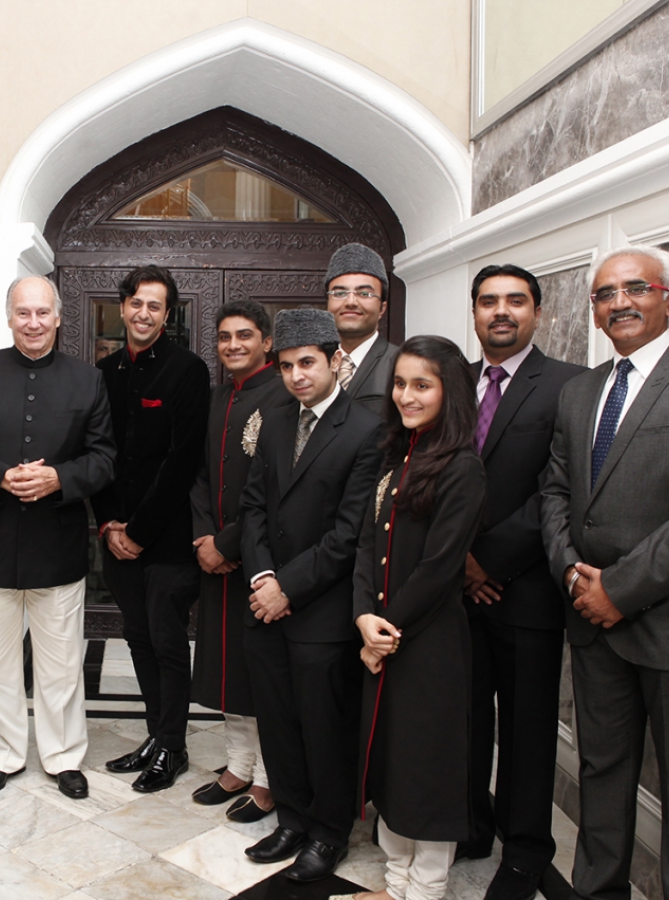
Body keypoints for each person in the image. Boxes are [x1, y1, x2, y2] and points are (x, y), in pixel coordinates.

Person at [540, 245, 669, 900]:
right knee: (601, 779)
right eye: (605, 294)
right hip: (594, 628)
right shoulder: (581, 392)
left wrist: (621, 587)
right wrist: (573, 577)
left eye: (634, 288)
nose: (618, 303)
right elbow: (555, 492)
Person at [0, 276, 115, 799]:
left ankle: (62, 757)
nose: (33, 323)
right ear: (9, 317)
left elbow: (104, 460)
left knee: (61, 665)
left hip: (57, 544)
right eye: (22, 313)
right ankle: (5, 755)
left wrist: (60, 478)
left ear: (58, 318)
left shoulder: (88, 381)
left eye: (42, 313)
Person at [240, 309, 383, 879]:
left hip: (321, 609)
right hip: (266, 602)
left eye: (307, 364)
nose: (297, 376)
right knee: (277, 721)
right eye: (287, 366)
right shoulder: (274, 419)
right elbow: (252, 507)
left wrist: (287, 587)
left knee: (325, 727)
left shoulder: (368, 430)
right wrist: (260, 578)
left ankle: (329, 832)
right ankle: (293, 821)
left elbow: (351, 533)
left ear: (334, 362)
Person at [461, 265, 584, 900]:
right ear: (474, 312)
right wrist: (460, 561)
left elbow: (560, 489)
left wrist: (491, 560)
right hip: (458, 591)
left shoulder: (569, 385)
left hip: (528, 589)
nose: (500, 312)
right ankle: (473, 827)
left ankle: (526, 850)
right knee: (467, 717)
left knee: (528, 729)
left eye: (515, 301)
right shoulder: (455, 382)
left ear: (539, 311)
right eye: (488, 302)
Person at [349, 335, 486, 900]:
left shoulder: (462, 467)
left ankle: (424, 890)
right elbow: (364, 546)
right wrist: (362, 616)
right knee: (394, 766)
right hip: (381, 634)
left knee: (427, 772)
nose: (406, 395)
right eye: (400, 383)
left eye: (421, 385)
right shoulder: (395, 454)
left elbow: (439, 568)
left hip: (426, 644)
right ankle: (394, 883)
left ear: (448, 392)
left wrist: (384, 630)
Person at [94, 265, 210, 793]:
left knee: (166, 641)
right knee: (136, 637)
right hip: (115, 538)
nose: (144, 313)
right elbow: (96, 455)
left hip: (165, 538)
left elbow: (182, 462)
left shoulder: (188, 370)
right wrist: (107, 526)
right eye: (137, 303)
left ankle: (174, 747)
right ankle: (154, 736)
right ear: (123, 307)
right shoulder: (105, 371)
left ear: (168, 314)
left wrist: (137, 529)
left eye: (155, 306)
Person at [188, 300, 285, 822]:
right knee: (227, 668)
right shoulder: (217, 397)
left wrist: (227, 544)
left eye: (244, 336)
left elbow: (271, 488)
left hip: (258, 559)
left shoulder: (283, 395)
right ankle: (238, 764)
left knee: (261, 672)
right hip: (215, 558)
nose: (233, 346)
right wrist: (204, 536)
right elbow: (201, 475)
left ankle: (269, 778)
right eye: (224, 337)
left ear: (267, 342)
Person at [325, 243, 400, 418]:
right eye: (339, 293)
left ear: (382, 308)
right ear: (327, 304)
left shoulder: (400, 364)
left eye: (364, 294)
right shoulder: (313, 364)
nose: (351, 302)